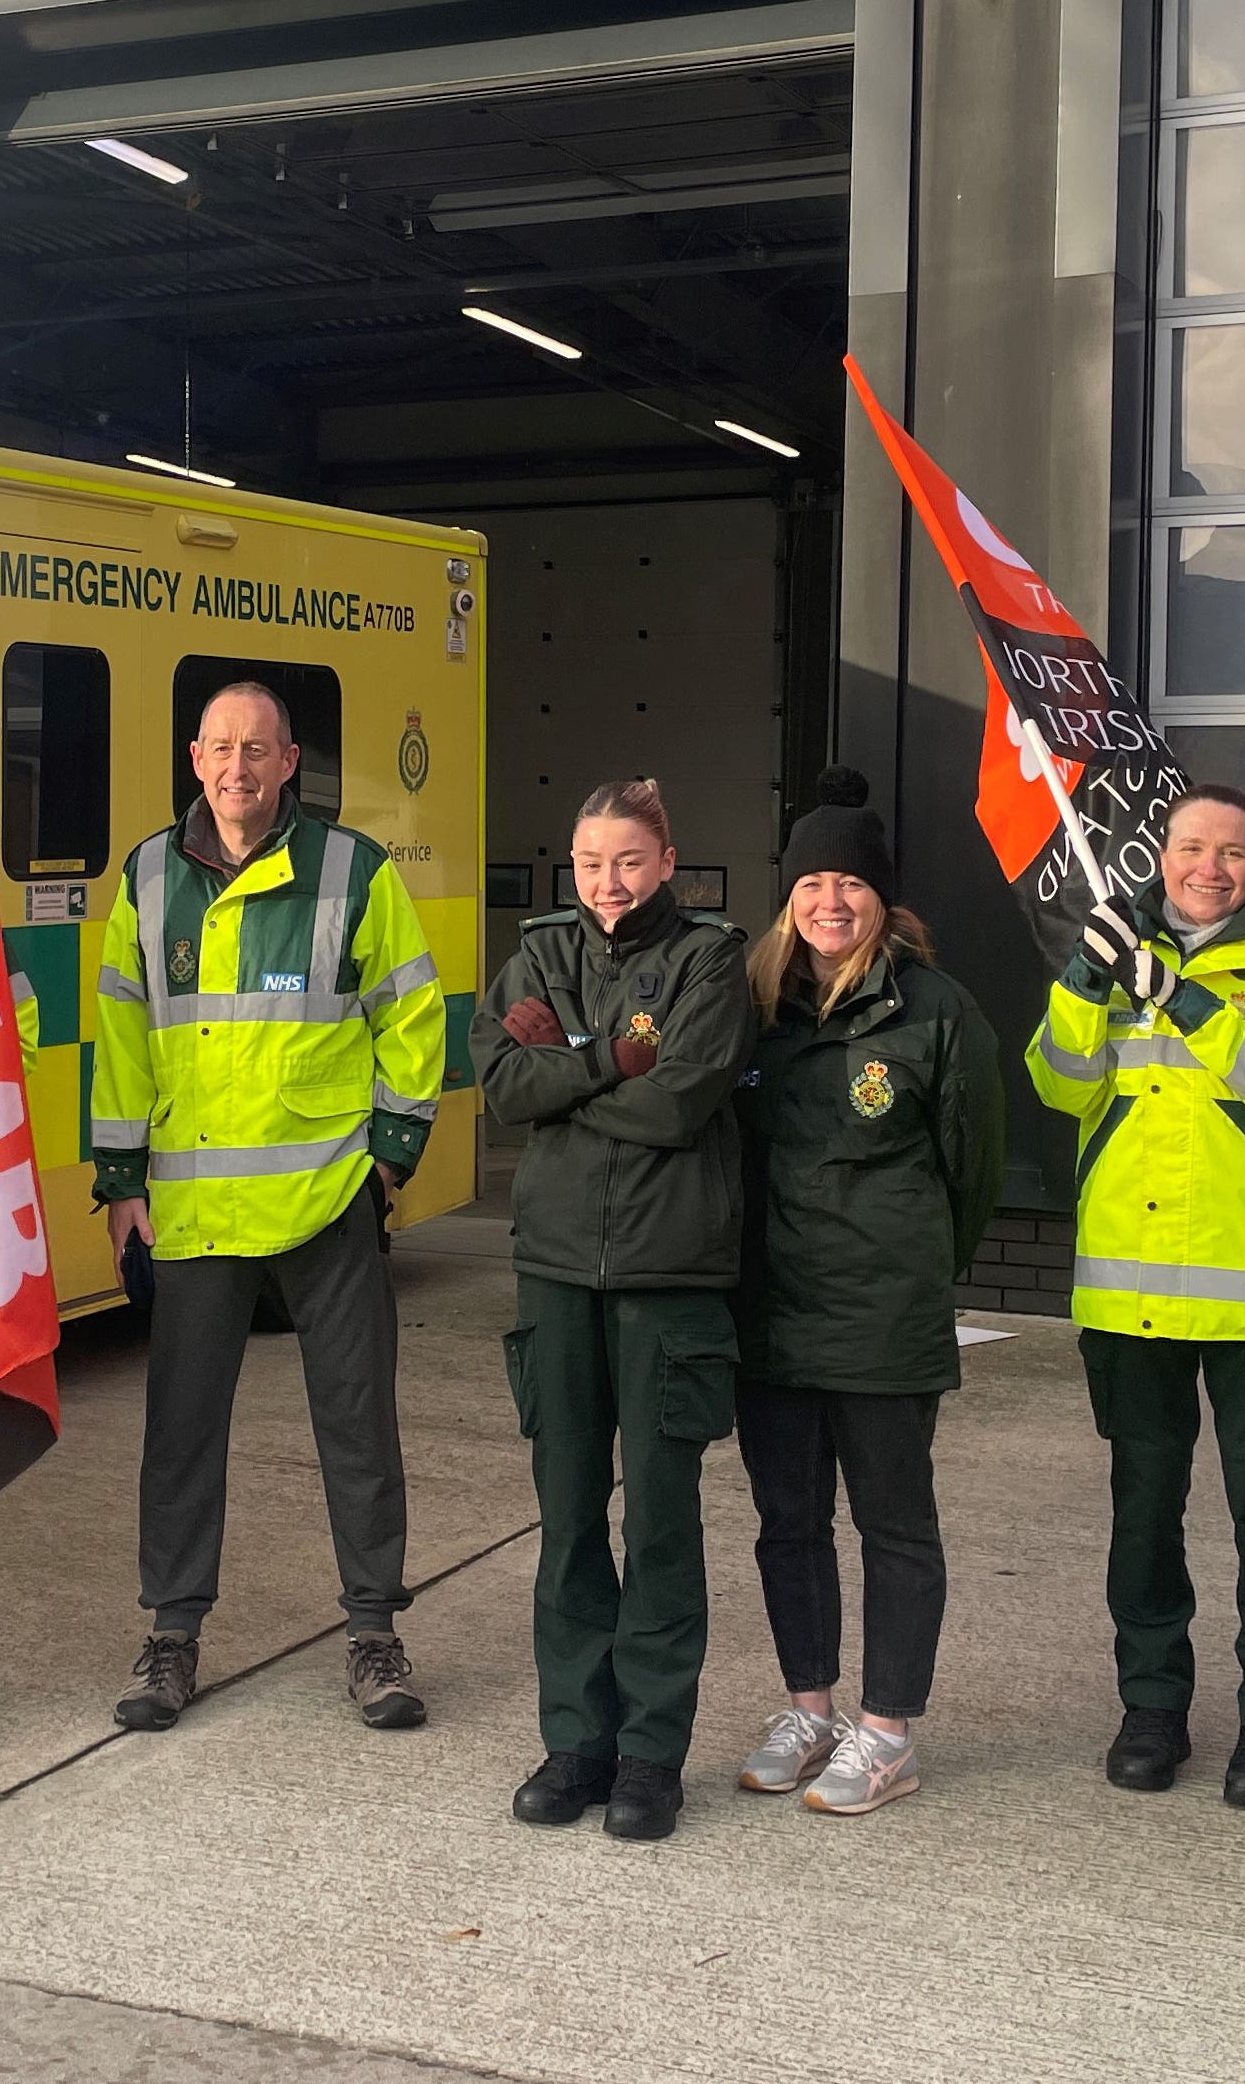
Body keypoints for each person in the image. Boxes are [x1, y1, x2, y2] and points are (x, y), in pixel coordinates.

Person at [92, 679, 448, 1738]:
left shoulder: (353, 869)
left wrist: (391, 1154)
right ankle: (171, 1633)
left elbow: (414, 1012)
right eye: (219, 748)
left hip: (328, 1199)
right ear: (193, 758)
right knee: (180, 1434)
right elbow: (119, 1034)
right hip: (195, 1210)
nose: (237, 767)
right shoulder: (148, 875)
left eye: (258, 749)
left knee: (358, 1424)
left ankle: (374, 1631)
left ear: (291, 760)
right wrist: (117, 1183)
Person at [1029, 785, 1245, 1811]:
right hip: (1131, 1292)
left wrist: (1182, 994)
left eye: (1235, 850)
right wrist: (1089, 977)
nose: (1210, 866)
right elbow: (1060, 1082)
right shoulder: (1111, 950)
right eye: (1192, 847)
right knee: (1143, 1512)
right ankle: (1152, 1708)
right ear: (1161, 852)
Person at [473, 777, 753, 1843]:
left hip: (667, 1275)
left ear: (667, 860)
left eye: (628, 860)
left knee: (663, 1526)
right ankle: (574, 1740)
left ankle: (649, 1753)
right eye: (591, 862)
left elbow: (682, 1100)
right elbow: (501, 1081)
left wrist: (568, 1074)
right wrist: (604, 1059)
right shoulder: (539, 952)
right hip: (554, 1271)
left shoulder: (710, 958)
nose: (607, 881)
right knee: (568, 1520)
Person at [725, 773, 1003, 1820]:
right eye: (811, 880)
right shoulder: (752, 1002)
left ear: (881, 897)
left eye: (849, 881)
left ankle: (887, 1731)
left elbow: (973, 1173)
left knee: (894, 1524)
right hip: (773, 1313)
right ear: (788, 893)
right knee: (787, 1522)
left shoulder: (936, 1010)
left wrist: (916, 1263)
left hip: (884, 1315)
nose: (829, 900)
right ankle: (810, 1708)